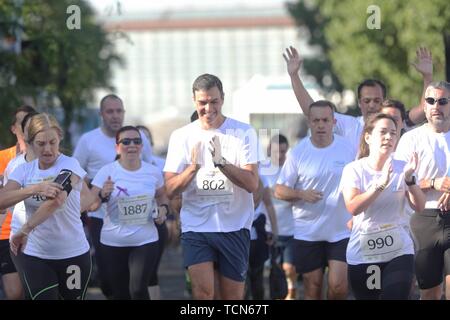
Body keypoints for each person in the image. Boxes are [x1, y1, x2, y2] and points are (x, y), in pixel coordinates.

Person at [164, 74, 259, 300]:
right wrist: (192, 169)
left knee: (232, 298)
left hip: (234, 227)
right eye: (202, 102)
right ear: (194, 101)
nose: (208, 108)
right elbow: (169, 190)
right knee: (203, 293)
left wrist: (223, 163)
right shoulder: (181, 136)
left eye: (214, 101)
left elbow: (252, 184)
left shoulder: (244, 133)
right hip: (196, 227)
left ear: (223, 99)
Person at [0, 113, 94, 300]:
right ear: (30, 143)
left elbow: (56, 201)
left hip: (72, 254)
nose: (48, 149)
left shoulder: (69, 164)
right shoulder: (23, 170)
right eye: (41, 144)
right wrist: (34, 189)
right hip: (37, 255)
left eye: (52, 142)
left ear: (59, 138)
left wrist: (25, 230)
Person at [283, 46, 432, 157]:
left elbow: (424, 110)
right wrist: (294, 76)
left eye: (377, 100)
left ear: (384, 101)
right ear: (360, 103)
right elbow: (311, 110)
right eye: (367, 101)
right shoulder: (348, 125)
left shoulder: (396, 121)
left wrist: (427, 77)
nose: (372, 105)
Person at [73, 94, 153, 298]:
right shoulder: (88, 141)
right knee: (109, 281)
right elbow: (75, 173)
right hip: (102, 217)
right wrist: (92, 193)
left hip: (139, 218)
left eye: (119, 111)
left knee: (137, 283)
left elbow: (150, 169)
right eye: (110, 111)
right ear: (101, 114)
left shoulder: (139, 138)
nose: (115, 116)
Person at [341, 113, 425, 299]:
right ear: (368, 137)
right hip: (365, 252)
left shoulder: (404, 167)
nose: (389, 137)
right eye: (383, 132)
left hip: (398, 249)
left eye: (393, 133)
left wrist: (410, 180)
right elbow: (353, 207)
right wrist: (380, 184)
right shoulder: (354, 169)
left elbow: (419, 206)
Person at [275, 100, 353, 300]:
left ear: (333, 121)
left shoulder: (348, 148)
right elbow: (279, 190)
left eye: (325, 120)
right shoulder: (298, 152)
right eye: (316, 120)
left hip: (341, 231)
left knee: (338, 286)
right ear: (309, 122)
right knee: (313, 287)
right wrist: (301, 194)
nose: (320, 125)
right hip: (308, 233)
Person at [90, 126, 168, 300]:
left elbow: (163, 196)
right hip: (113, 241)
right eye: (126, 141)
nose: (131, 145)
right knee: (120, 294)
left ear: (141, 146)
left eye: (136, 141)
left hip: (145, 240)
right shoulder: (107, 171)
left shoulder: (152, 172)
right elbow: (91, 205)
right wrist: (103, 194)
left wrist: (163, 209)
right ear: (117, 147)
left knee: (139, 289)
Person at [394, 81, 450, 300]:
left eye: (443, 101)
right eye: (431, 101)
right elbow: (398, 180)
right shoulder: (410, 139)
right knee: (430, 293)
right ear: (424, 106)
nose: (436, 106)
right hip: (423, 219)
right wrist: (433, 182)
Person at [0, 105, 36, 300]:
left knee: (35, 289)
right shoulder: (3, 159)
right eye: (22, 122)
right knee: (14, 294)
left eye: (30, 122)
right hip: (7, 232)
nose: (26, 126)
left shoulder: (47, 158)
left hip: (38, 230)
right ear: (14, 128)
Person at [263, 134, 297, 299]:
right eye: (277, 151)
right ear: (269, 150)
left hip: (292, 228)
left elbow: (297, 194)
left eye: (283, 151)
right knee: (273, 269)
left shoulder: (292, 168)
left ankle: (291, 291)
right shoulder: (263, 170)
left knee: (289, 267)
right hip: (269, 229)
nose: (280, 155)